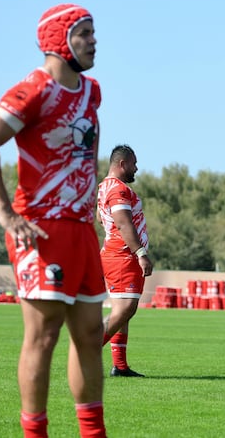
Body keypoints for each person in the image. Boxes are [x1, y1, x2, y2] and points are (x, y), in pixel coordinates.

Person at [0, 4, 107, 437]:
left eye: (93, 32)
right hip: (41, 228)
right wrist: (4, 212)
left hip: (82, 230)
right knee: (44, 335)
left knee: (89, 333)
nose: (93, 40)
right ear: (59, 41)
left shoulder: (92, 91)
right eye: (84, 33)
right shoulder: (34, 88)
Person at [97, 144, 153, 377]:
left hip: (116, 253)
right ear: (122, 164)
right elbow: (123, 223)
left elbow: (101, 218)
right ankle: (85, 349)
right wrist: (140, 252)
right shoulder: (118, 189)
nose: (136, 168)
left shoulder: (103, 187)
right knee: (125, 308)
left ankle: (120, 366)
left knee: (124, 310)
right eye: (133, 164)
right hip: (122, 255)